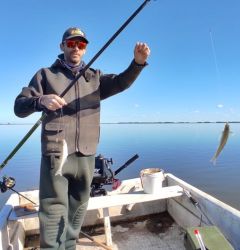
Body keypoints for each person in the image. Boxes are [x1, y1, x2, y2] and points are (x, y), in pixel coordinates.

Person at [14, 27, 150, 250]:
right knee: (52, 210)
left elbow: (120, 82)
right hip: (56, 154)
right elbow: (19, 107)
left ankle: (70, 246)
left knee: (78, 208)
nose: (76, 47)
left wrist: (137, 63)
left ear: (85, 49)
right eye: (71, 43)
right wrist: (40, 101)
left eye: (81, 44)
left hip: (87, 154)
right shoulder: (45, 75)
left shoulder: (94, 78)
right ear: (62, 46)